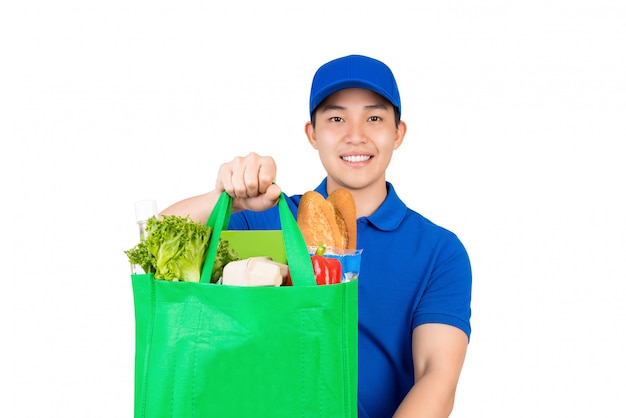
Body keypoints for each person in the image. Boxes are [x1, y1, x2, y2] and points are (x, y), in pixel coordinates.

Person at [160, 54, 472, 418]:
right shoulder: (268, 217)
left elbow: (437, 376)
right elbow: (157, 244)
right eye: (336, 118)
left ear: (398, 133)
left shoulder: (438, 250)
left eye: (374, 118)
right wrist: (226, 200)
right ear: (312, 133)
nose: (356, 136)